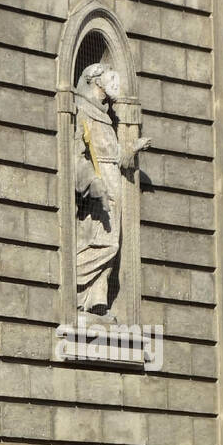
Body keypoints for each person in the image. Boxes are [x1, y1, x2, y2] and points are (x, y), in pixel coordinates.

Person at [74, 63, 150, 322]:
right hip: (99, 188)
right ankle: (74, 283)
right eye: (109, 77)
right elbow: (76, 155)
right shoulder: (82, 110)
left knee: (113, 247)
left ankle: (96, 300)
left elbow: (116, 156)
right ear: (95, 80)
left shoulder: (105, 117)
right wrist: (90, 182)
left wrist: (133, 149)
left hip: (114, 186)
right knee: (105, 243)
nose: (113, 82)